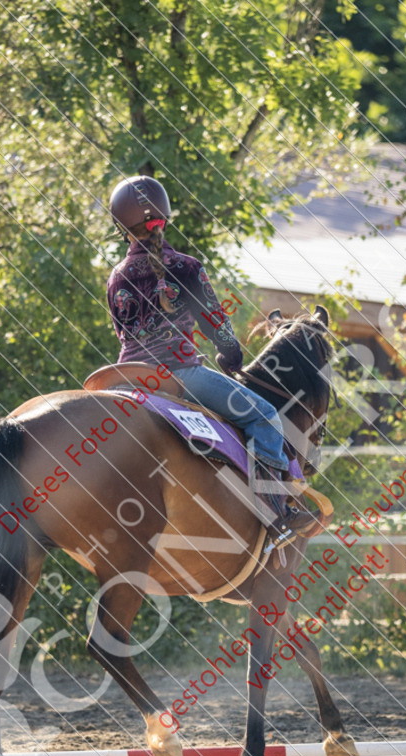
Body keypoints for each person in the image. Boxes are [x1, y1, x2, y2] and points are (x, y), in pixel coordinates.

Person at [106, 174, 317, 546]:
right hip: (180, 373)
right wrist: (229, 356)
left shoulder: (116, 277)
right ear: (165, 217)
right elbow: (219, 330)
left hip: (126, 379)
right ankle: (276, 514)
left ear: (121, 227)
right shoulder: (186, 267)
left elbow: (124, 334)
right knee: (265, 416)